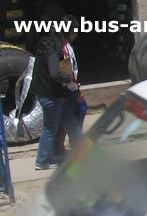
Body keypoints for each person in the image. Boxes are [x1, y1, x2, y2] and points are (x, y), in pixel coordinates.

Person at [30, 33, 82, 170]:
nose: (65, 44)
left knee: (71, 123)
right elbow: (55, 74)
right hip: (52, 97)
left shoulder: (42, 53)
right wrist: (67, 78)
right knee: (50, 129)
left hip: (54, 97)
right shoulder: (52, 55)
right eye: (64, 42)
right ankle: (42, 161)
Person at [55, 14, 87, 158]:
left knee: (67, 118)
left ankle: (65, 146)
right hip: (69, 89)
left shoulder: (63, 45)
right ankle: (73, 144)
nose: (77, 34)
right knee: (78, 111)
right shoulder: (64, 48)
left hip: (67, 89)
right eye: (75, 31)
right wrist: (77, 89)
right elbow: (68, 72)